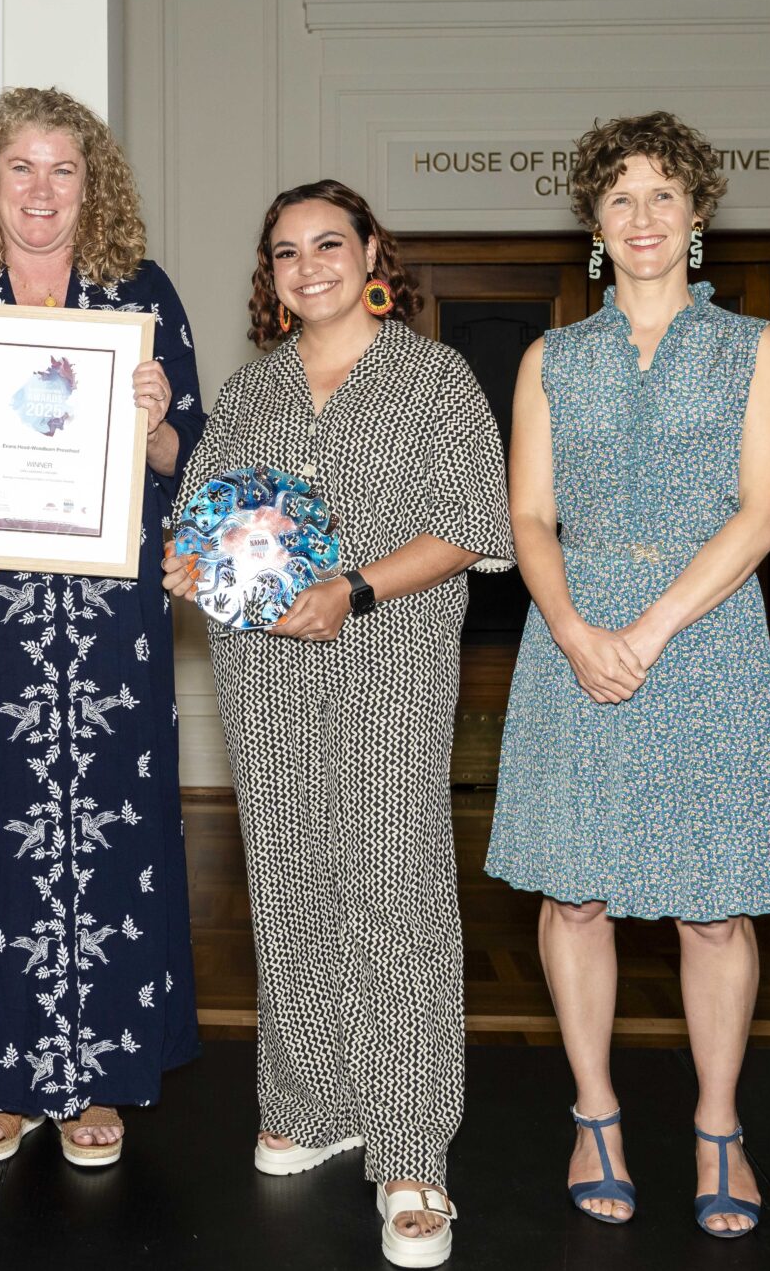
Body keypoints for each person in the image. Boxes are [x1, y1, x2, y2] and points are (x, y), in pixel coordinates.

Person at [164, 180, 513, 1269]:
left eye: (327, 243)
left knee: (393, 882)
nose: (307, 265)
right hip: (262, 666)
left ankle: (411, 1149)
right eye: (285, 251)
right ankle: (312, 1102)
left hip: (388, 655)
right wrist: (188, 563)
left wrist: (352, 590)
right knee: (288, 874)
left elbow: (472, 523)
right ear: (268, 276)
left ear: (370, 255)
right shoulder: (251, 389)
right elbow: (203, 518)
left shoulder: (432, 377)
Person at [485, 110, 770, 1237]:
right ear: (594, 221)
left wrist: (652, 626)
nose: (642, 216)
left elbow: (765, 516)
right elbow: (528, 515)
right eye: (618, 196)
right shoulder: (550, 359)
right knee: (574, 893)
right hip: (571, 644)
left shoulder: (754, 348)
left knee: (713, 906)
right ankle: (595, 1115)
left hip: (707, 645)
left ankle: (719, 1125)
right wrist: (576, 629)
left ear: (697, 211)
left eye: (663, 193)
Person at [0, 87, 203, 1167]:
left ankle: (95, 1077)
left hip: (111, 623)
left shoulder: (140, 294)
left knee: (110, 836)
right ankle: (7, 1076)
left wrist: (157, 426)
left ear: (90, 185)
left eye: (62, 168)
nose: (40, 189)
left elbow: (190, 457)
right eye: (19, 166)